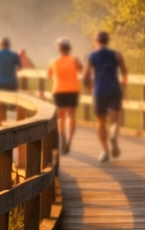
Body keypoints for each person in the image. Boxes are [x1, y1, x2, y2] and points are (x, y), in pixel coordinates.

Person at [82, 30, 127, 162]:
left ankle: (105, 151)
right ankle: (113, 136)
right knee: (114, 120)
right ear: (108, 41)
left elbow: (85, 77)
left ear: (96, 41)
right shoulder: (117, 55)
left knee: (101, 122)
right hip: (114, 89)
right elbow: (124, 72)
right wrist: (123, 86)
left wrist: (89, 86)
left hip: (99, 90)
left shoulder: (92, 56)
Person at [47, 38, 83, 154]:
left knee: (61, 116)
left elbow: (49, 75)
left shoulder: (54, 62)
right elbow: (81, 70)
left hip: (59, 90)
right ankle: (69, 141)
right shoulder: (74, 60)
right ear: (69, 49)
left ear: (59, 49)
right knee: (71, 115)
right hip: (72, 90)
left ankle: (62, 137)